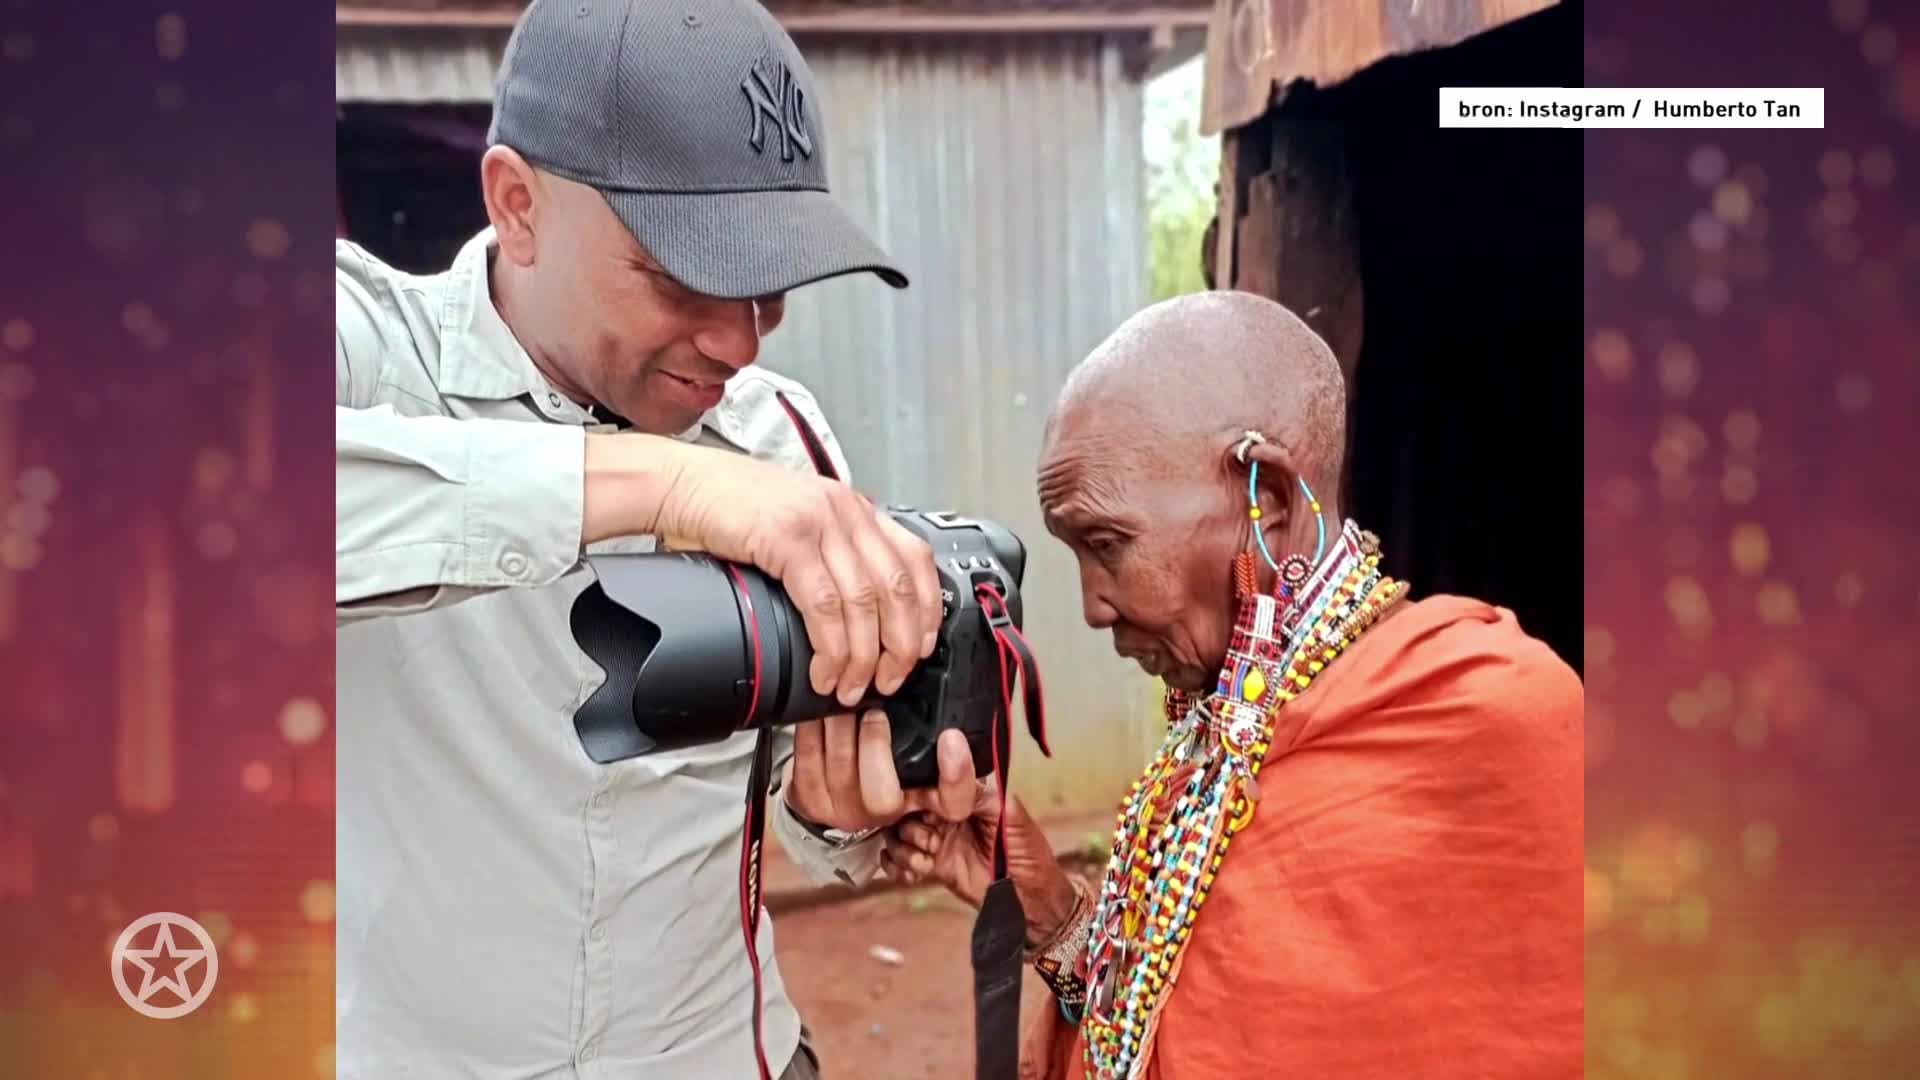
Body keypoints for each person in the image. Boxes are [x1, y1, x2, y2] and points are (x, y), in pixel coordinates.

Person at [333, 1, 977, 1076]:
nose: (739, 342)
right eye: (684, 273)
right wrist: (668, 485)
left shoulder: (780, 439)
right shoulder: (364, 351)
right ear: (519, 205)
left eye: (769, 283)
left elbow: (803, 808)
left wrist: (845, 814)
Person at [884, 292, 1584, 1079]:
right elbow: (1172, 1026)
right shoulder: (1230, 726)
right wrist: (1051, 913)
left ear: (1269, 498)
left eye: (1107, 544)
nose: (1091, 607)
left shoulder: (1488, 714)